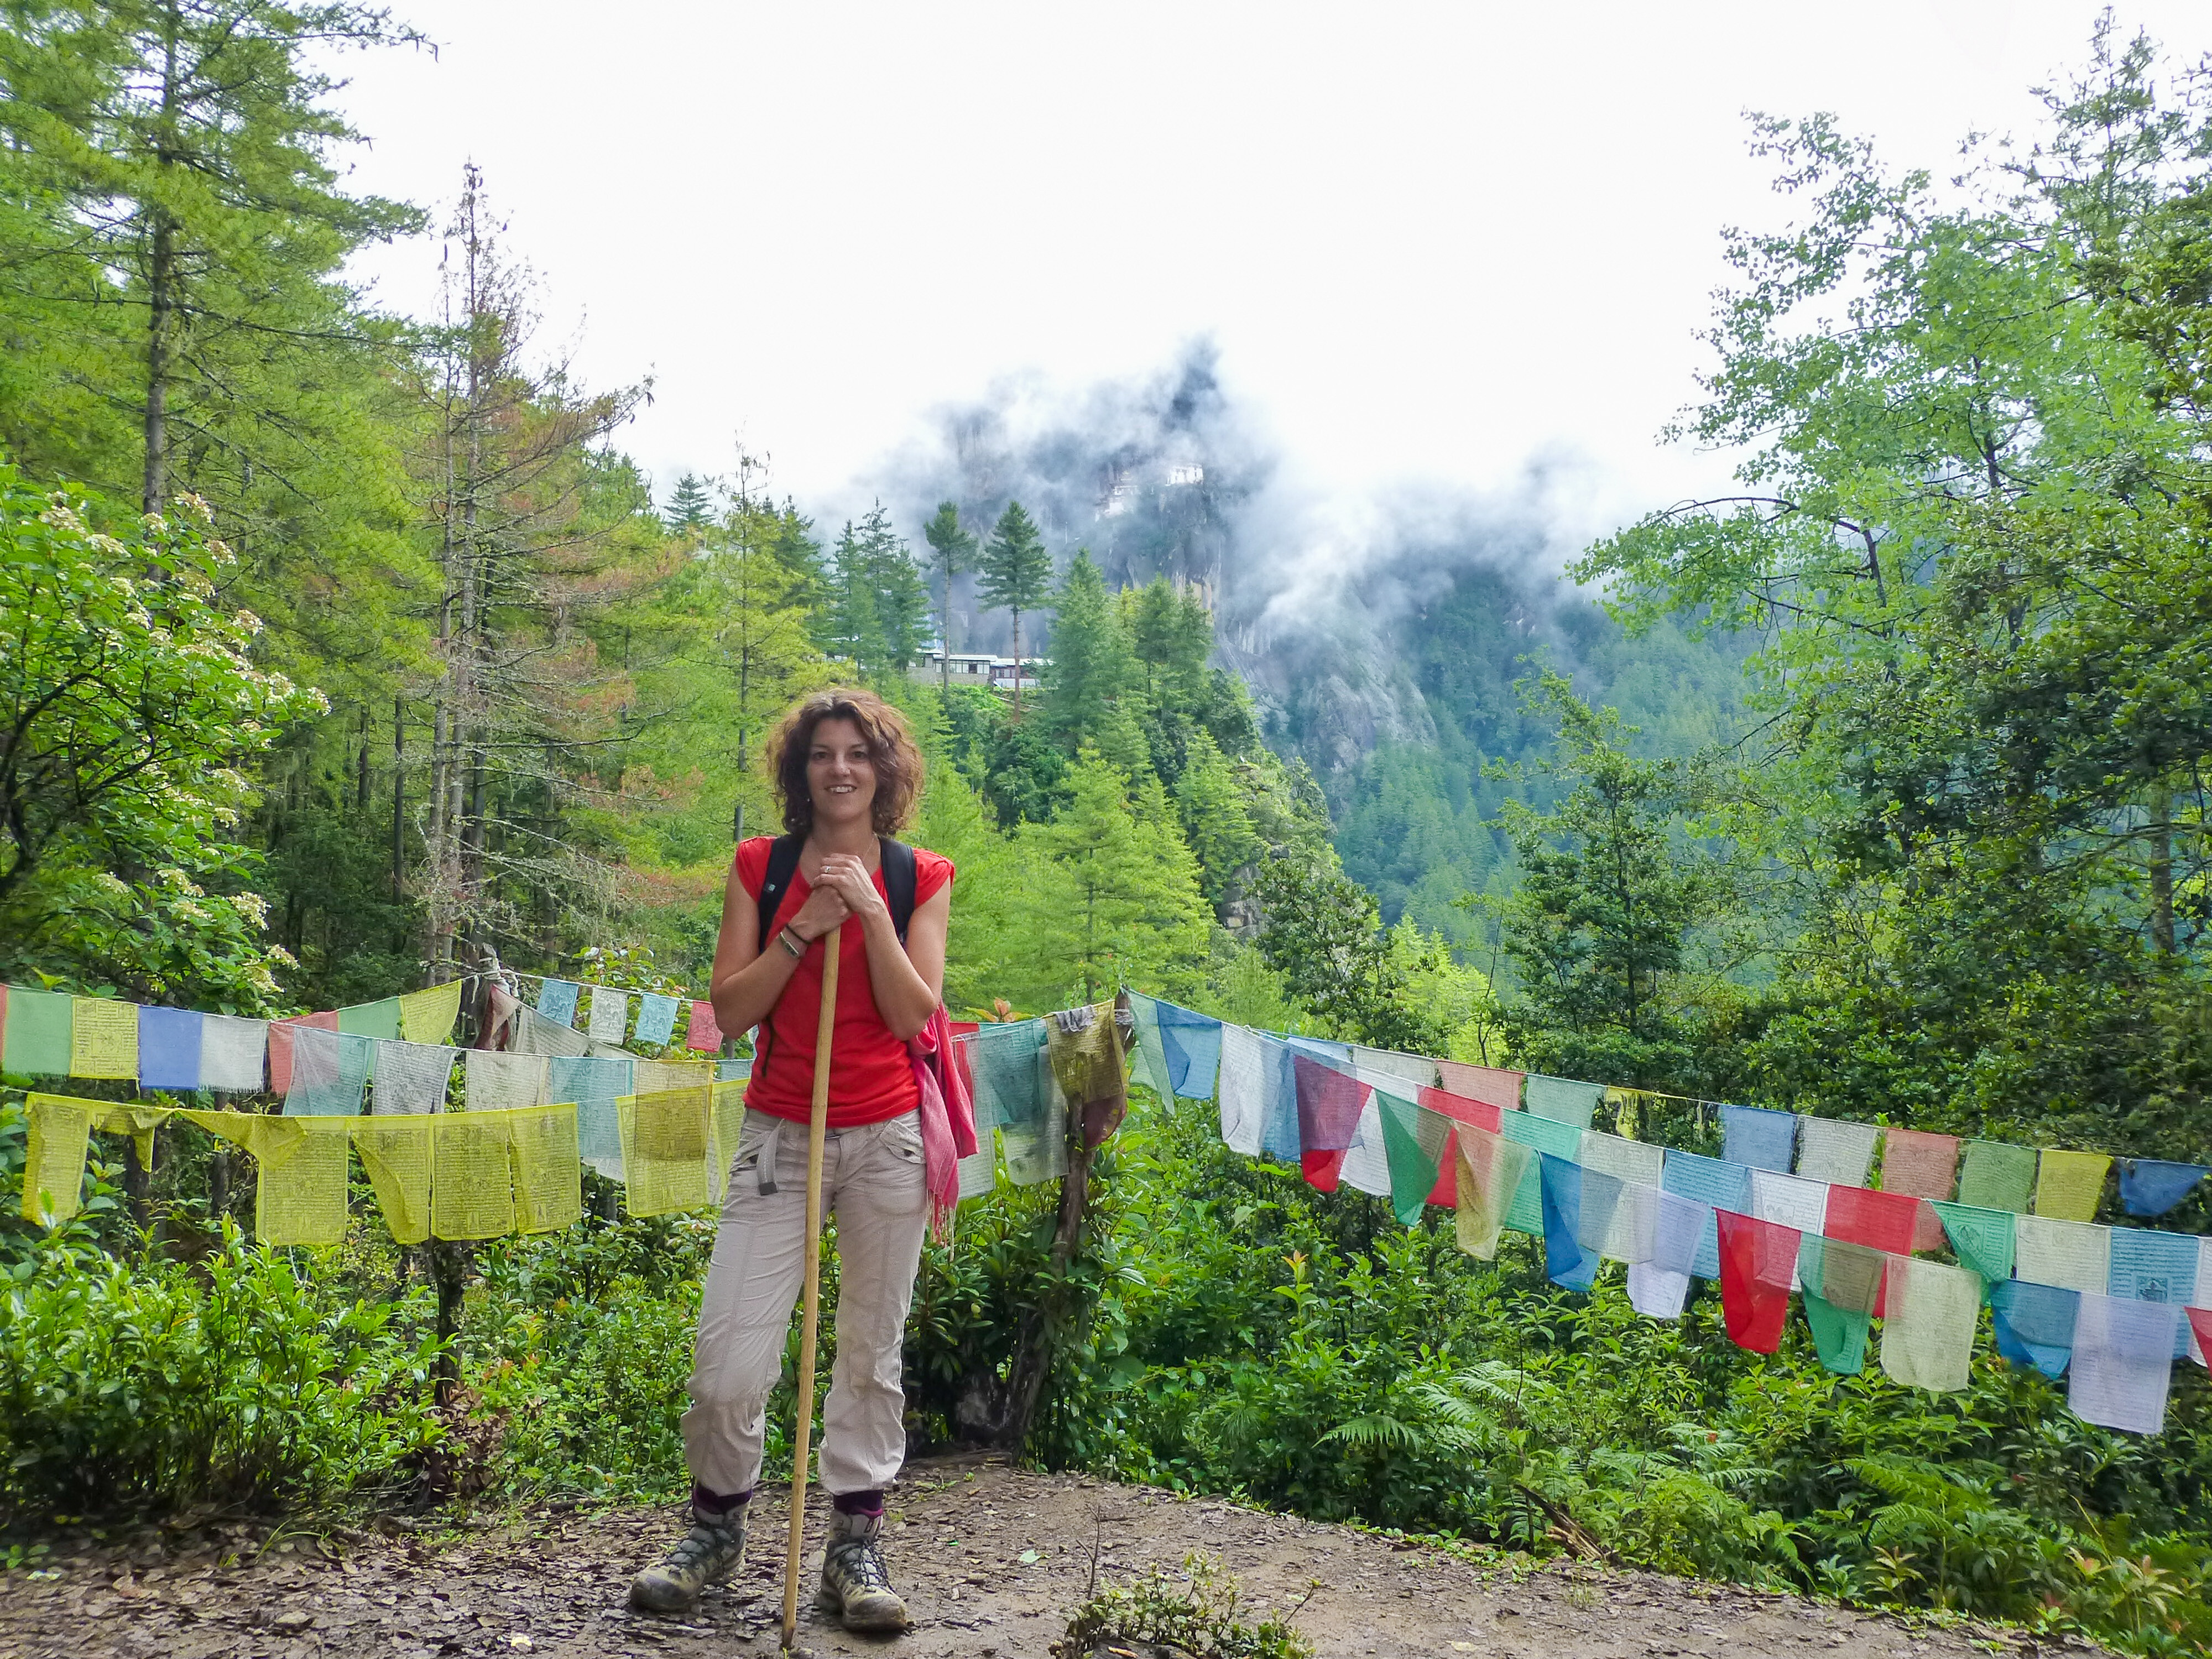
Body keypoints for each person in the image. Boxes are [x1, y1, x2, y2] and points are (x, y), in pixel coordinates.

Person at [629, 688, 954, 1631]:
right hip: (780, 1134)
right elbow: (730, 1012)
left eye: (859, 753)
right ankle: (715, 1533)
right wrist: (804, 928)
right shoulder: (759, 867)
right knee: (729, 1363)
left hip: (887, 1138)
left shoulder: (919, 874)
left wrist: (871, 917)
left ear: (883, 771)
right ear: (800, 769)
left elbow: (913, 1016)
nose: (841, 768)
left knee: (866, 1356)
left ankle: (854, 1552)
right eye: (822, 753)